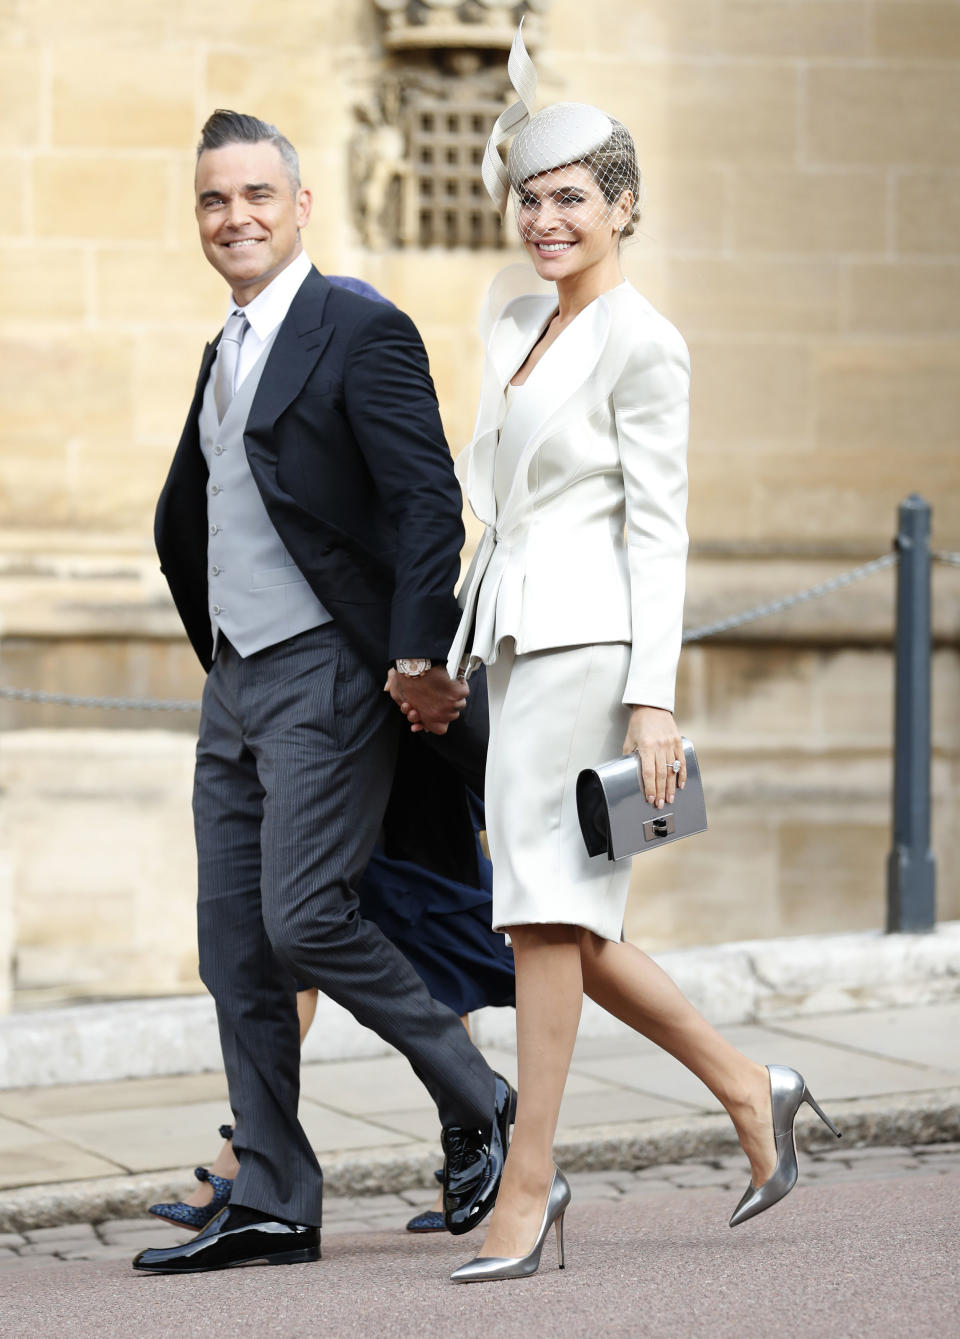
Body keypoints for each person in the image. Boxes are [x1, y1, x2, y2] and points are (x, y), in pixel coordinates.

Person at [405, 27, 840, 1284]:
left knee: (545, 914)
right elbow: (505, 511)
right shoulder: (526, 321)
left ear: (625, 207)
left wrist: (654, 697)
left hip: (593, 649)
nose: (546, 219)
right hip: (520, 641)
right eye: (532, 196)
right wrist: (448, 647)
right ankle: (753, 1089)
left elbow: (662, 520)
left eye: (574, 198)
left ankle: (529, 1185)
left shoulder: (643, 338)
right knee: (560, 914)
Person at [133, 109, 516, 1275]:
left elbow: (424, 503)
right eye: (213, 199)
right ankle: (277, 1198)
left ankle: (480, 1095)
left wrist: (412, 653)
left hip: (332, 673)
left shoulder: (359, 325)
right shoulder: (227, 343)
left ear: (302, 205)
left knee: (304, 915)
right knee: (234, 947)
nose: (234, 217)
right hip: (236, 680)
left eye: (255, 194)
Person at [148, 818, 515, 1235]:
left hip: (386, 781)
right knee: (292, 945)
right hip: (315, 787)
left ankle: (477, 1136)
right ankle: (242, 1157)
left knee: (431, 946)